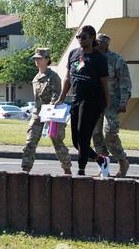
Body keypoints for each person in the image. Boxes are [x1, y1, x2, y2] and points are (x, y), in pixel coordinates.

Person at [55, 25, 111, 176]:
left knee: (83, 135)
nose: (80, 39)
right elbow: (68, 77)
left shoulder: (99, 58)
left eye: (84, 37)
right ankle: (101, 160)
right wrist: (61, 97)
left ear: (92, 38)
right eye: (78, 37)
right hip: (76, 99)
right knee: (76, 141)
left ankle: (81, 170)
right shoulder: (73, 54)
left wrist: (107, 104)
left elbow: (105, 83)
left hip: (93, 101)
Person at [21, 48, 72, 174]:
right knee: (30, 141)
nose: (36, 60)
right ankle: (25, 169)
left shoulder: (53, 77)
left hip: (52, 113)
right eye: (35, 58)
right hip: (38, 114)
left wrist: (50, 111)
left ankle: (67, 168)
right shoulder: (36, 78)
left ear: (47, 60)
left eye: (40, 58)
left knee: (57, 141)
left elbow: (56, 96)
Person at [92, 34, 132, 177]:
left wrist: (123, 102)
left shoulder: (116, 60)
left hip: (112, 104)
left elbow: (125, 83)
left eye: (99, 42)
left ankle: (122, 161)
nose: (96, 44)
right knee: (96, 136)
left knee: (109, 135)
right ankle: (103, 167)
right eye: (95, 41)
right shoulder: (91, 58)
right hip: (94, 104)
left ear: (106, 44)